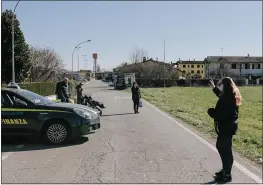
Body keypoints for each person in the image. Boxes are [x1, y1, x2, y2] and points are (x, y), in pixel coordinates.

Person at [208, 77, 242, 183]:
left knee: (225, 150)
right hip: (227, 127)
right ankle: (225, 170)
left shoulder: (228, 98)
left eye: (220, 84)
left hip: (227, 128)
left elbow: (222, 115)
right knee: (223, 148)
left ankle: (227, 174)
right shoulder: (229, 95)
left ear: (225, 86)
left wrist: (212, 112)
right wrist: (214, 88)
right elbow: (221, 95)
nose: (220, 86)